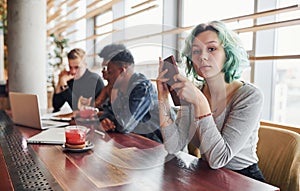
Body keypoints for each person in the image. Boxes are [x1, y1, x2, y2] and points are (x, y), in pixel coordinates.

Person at [156, 21, 265, 182]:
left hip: (245, 179)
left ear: (227, 53)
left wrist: (200, 103)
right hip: (207, 175)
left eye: (212, 49)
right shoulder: (195, 92)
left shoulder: (250, 96)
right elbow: (173, 146)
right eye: (196, 51)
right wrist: (163, 98)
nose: (203, 57)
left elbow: (218, 159)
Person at [98, 44, 163, 143]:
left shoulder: (142, 88)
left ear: (121, 71)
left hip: (158, 146)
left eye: (110, 72)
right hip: (137, 143)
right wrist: (105, 119)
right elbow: (107, 112)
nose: (106, 76)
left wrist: (110, 120)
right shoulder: (121, 88)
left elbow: (124, 125)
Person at [52, 48, 104, 112]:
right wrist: (60, 81)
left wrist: (64, 84)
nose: (73, 71)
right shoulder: (70, 80)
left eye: (77, 67)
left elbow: (79, 107)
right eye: (70, 67)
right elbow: (56, 105)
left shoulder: (94, 80)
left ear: (85, 64)